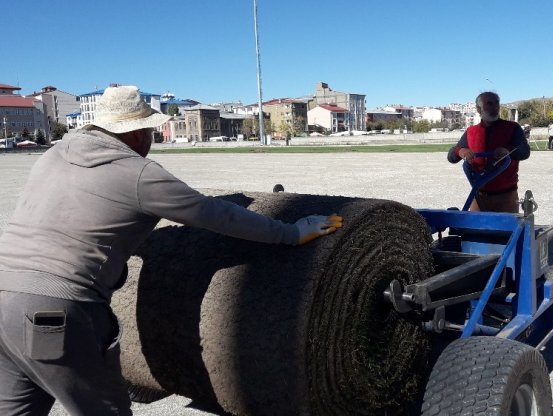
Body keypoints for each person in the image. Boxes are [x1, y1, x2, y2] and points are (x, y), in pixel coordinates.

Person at [0, 85, 343, 416]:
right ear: (136, 133)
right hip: (52, 313)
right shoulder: (138, 174)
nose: (152, 138)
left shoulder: (53, 157)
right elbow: (215, 215)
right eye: (149, 130)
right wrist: (291, 232)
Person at [447, 91, 530, 213]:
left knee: (507, 232)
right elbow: (451, 157)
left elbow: (524, 151)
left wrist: (507, 150)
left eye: (497, 103)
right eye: (489, 103)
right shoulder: (471, 132)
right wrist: (461, 151)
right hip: (478, 197)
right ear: (479, 109)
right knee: (474, 232)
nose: (495, 107)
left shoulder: (512, 128)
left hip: (506, 198)